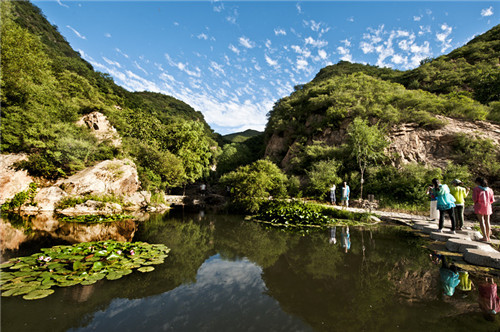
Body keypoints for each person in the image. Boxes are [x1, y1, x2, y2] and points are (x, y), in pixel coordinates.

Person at [472, 177, 495, 243]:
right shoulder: (490, 190)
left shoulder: (476, 189)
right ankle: (488, 237)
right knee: (487, 221)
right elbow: (492, 200)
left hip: (479, 205)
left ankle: (484, 236)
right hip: (487, 206)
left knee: (481, 221)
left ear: (478, 182)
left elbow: (474, 198)